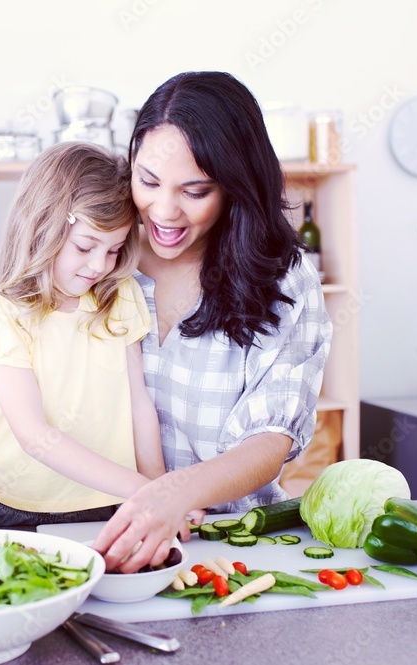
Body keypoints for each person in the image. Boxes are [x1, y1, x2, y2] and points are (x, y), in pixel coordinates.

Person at [92, 72, 333, 572]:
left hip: (236, 547)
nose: (164, 210)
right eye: (148, 181)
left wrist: (172, 495)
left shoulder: (284, 280)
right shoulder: (102, 259)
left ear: (236, 185)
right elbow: (49, 396)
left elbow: (268, 442)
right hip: (104, 537)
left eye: (195, 190)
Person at [0, 141, 170, 528]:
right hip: (19, 508)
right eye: (85, 246)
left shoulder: (119, 294)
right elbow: (33, 436)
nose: (100, 265)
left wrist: (159, 488)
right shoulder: (1, 311)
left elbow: (139, 404)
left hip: (113, 502)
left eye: (113, 250)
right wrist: (144, 490)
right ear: (42, 227)